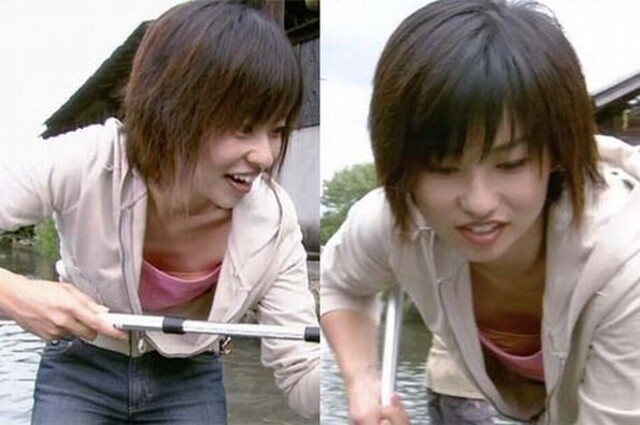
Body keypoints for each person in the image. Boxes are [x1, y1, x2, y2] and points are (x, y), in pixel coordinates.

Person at [320, 0, 640, 424]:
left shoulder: (626, 260)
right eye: (443, 167)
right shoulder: (397, 221)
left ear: (557, 151)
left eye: (511, 164)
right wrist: (362, 383)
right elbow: (340, 283)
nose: (479, 203)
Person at [0, 1, 319, 423]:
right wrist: (14, 294)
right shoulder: (88, 160)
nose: (264, 155)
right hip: (79, 363)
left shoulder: (274, 221)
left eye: (276, 131)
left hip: (191, 375)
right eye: (243, 128)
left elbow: (301, 364)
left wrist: (353, 382)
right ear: (174, 110)